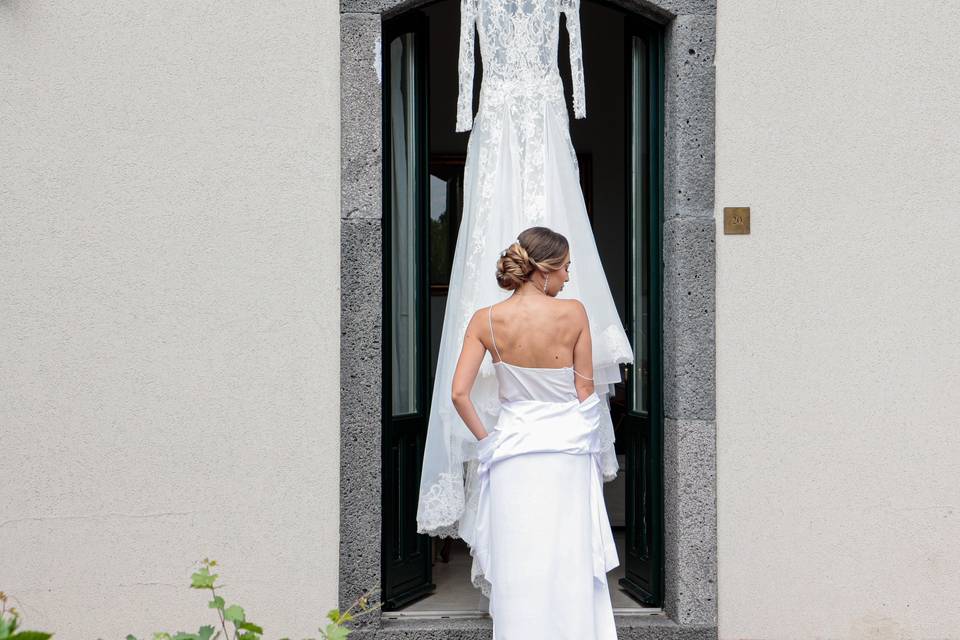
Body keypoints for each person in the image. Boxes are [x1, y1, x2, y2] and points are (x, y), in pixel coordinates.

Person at [452, 226, 619, 639]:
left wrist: (489, 443)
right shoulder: (574, 313)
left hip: (512, 453)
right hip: (566, 450)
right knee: (569, 559)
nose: (567, 278)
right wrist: (589, 444)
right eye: (564, 268)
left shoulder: (485, 320)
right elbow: (584, 391)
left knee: (519, 562)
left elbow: (459, 394)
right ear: (543, 271)